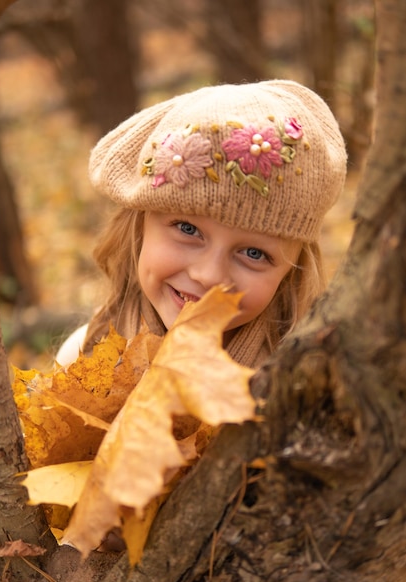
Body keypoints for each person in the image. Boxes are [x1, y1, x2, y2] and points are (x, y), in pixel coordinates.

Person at [56, 80, 347, 369]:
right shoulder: (84, 357)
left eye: (254, 253)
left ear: (291, 273)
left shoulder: (306, 382)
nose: (209, 276)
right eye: (187, 229)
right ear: (140, 225)